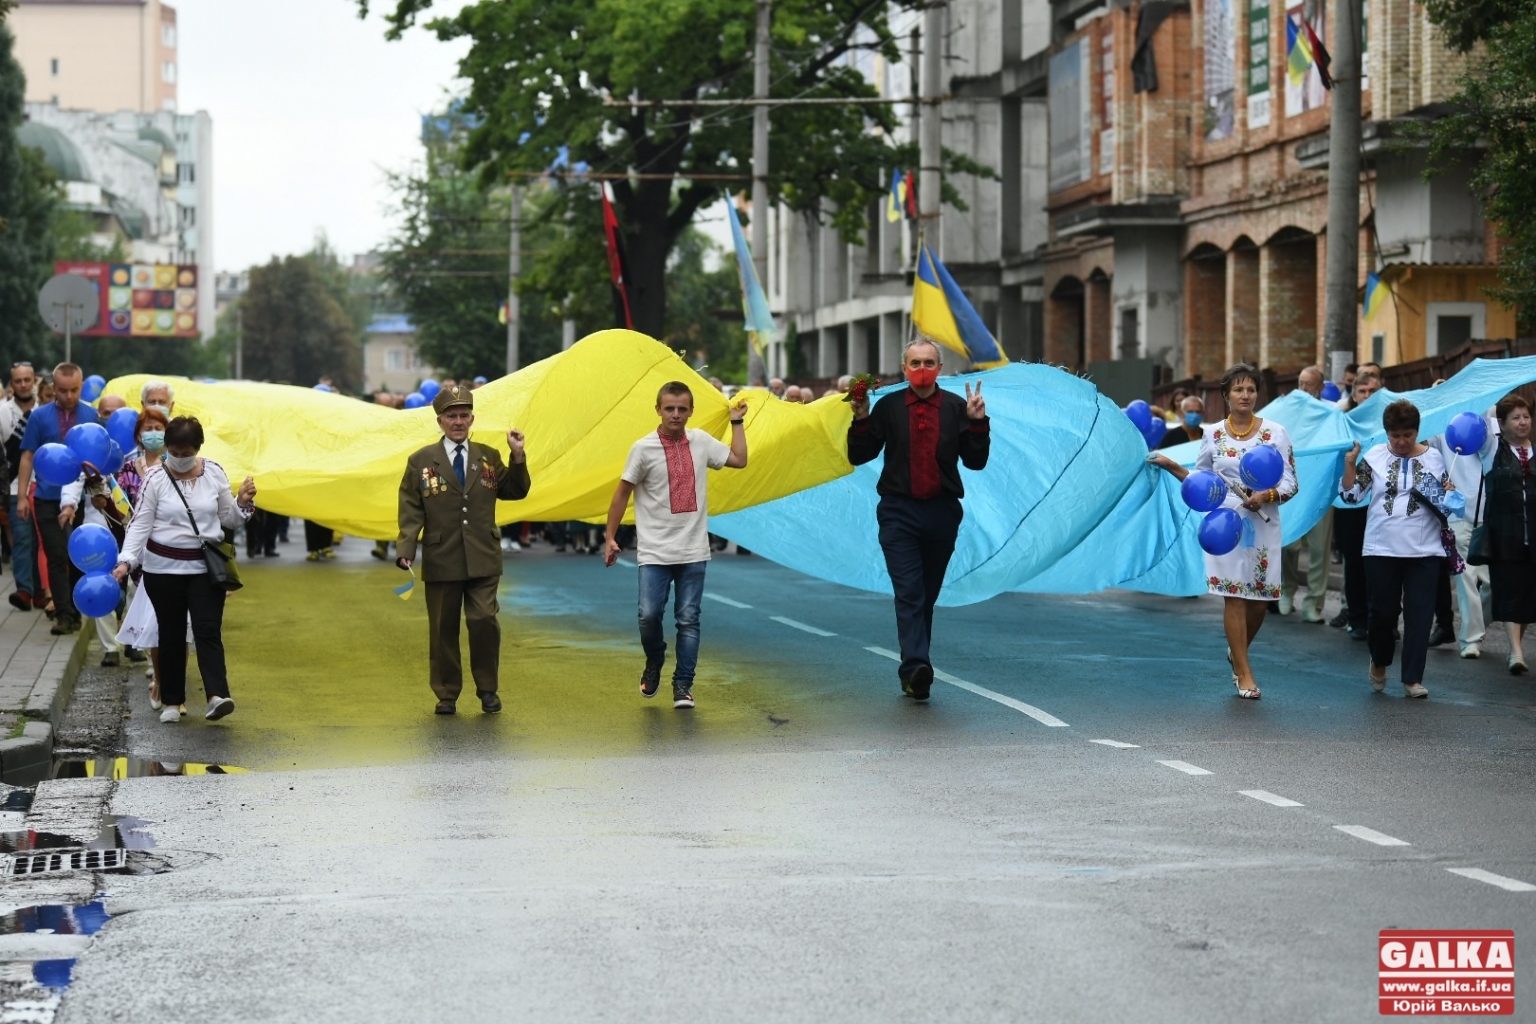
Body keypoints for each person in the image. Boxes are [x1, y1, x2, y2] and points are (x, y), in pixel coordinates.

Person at [848, 337, 990, 702]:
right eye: (915, 363)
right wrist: (860, 417)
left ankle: (913, 672)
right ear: (904, 369)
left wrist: (977, 425)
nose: (922, 370)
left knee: (926, 594)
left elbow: (975, 462)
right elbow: (859, 454)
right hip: (898, 512)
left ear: (940, 369)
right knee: (909, 591)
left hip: (942, 512)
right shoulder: (889, 407)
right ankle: (916, 667)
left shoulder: (958, 408)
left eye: (929, 363)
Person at [1153, 363, 1296, 698]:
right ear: (1226, 395)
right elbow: (1203, 481)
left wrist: (1267, 495)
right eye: (1238, 389)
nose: (1245, 395)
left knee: (1258, 601)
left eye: (1250, 389)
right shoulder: (1213, 434)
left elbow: (1291, 481)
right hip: (1224, 523)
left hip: (1262, 520)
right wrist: (1173, 466)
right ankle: (1244, 673)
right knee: (1234, 596)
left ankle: (1238, 651)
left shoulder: (1275, 432)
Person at [602, 382, 748, 710]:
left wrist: (736, 422)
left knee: (689, 618)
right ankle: (655, 660)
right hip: (654, 551)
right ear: (658, 409)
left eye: (682, 409)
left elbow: (739, 459)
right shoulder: (642, 448)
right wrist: (610, 537)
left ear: (691, 411)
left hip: (694, 549)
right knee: (648, 615)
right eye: (670, 408)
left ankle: (683, 685)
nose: (676, 415)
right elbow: (621, 492)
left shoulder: (701, 442)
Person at [111, 416, 257, 723]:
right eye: (173, 452)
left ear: (198, 447)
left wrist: (243, 503)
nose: (178, 458)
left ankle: (217, 695)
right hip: (162, 570)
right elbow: (140, 524)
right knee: (172, 634)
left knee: (207, 630)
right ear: (167, 448)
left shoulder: (214, 472)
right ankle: (171, 702)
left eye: (185, 452)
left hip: (205, 569)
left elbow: (229, 518)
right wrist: (126, 561)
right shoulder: (155, 478)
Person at [395, 384, 530, 715]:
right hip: (443, 556)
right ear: (439, 420)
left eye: (463, 415)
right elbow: (411, 507)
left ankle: (487, 689)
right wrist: (406, 546)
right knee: (443, 627)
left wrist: (517, 456)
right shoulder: (421, 461)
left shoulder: (489, 456)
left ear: (472, 418)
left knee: (484, 619)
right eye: (451, 416)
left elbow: (515, 491)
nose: (458, 421)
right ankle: (446, 692)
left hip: (483, 554)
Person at [1339, 399, 1451, 698]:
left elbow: (1446, 499)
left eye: (1408, 435)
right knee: (1383, 613)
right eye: (1395, 435)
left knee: (1420, 615)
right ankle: (1379, 659)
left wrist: (1451, 496)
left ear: (1417, 432)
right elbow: (1351, 496)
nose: (1401, 442)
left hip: (1425, 549)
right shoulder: (1374, 457)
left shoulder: (1436, 459)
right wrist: (1350, 465)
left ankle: (1412, 678)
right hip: (1381, 548)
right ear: (1387, 433)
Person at [16, 363, 101, 635]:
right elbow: (27, 455)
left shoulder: (90, 414)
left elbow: (98, 454)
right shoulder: (39, 417)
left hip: (80, 499)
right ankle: (63, 613)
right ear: (53, 387)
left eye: (74, 390)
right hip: (45, 496)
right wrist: (20, 497)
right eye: (62, 390)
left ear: (82, 385)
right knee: (55, 555)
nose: (68, 396)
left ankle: (75, 610)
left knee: (77, 556)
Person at [1479, 394, 1536, 673]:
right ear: (1502, 423)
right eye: (1516, 417)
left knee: (1528, 595)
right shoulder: (1492, 450)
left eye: (1526, 416)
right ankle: (1515, 652)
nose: (1523, 422)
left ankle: (1517, 646)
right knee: (1510, 592)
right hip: (1505, 537)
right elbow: (1486, 417)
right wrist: (1502, 389)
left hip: (1533, 536)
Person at [1331, 372, 1384, 637]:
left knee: (1384, 564)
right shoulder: (1342, 422)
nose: (1367, 396)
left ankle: (1382, 619)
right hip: (1349, 504)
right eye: (1362, 391)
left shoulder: (1390, 420)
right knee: (1354, 563)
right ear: (1353, 395)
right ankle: (1358, 619)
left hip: (1383, 504)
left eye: (1373, 391)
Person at [1279, 366, 1334, 621]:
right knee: (1288, 544)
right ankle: (1286, 590)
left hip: (1321, 488)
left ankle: (1314, 601)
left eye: (1309, 384)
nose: (1303, 389)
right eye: (1301, 383)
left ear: (1320, 387)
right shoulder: (1287, 411)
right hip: (1291, 487)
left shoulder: (1331, 413)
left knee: (1318, 548)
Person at [0, 361, 38, 611]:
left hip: (46, 485)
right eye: (18, 380)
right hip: (15, 487)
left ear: (34, 381)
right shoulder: (1, 411)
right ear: (11, 384)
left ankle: (42, 590)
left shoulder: (46, 410)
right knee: (22, 539)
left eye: (27, 379)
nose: (23, 384)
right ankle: (24, 590)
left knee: (43, 542)